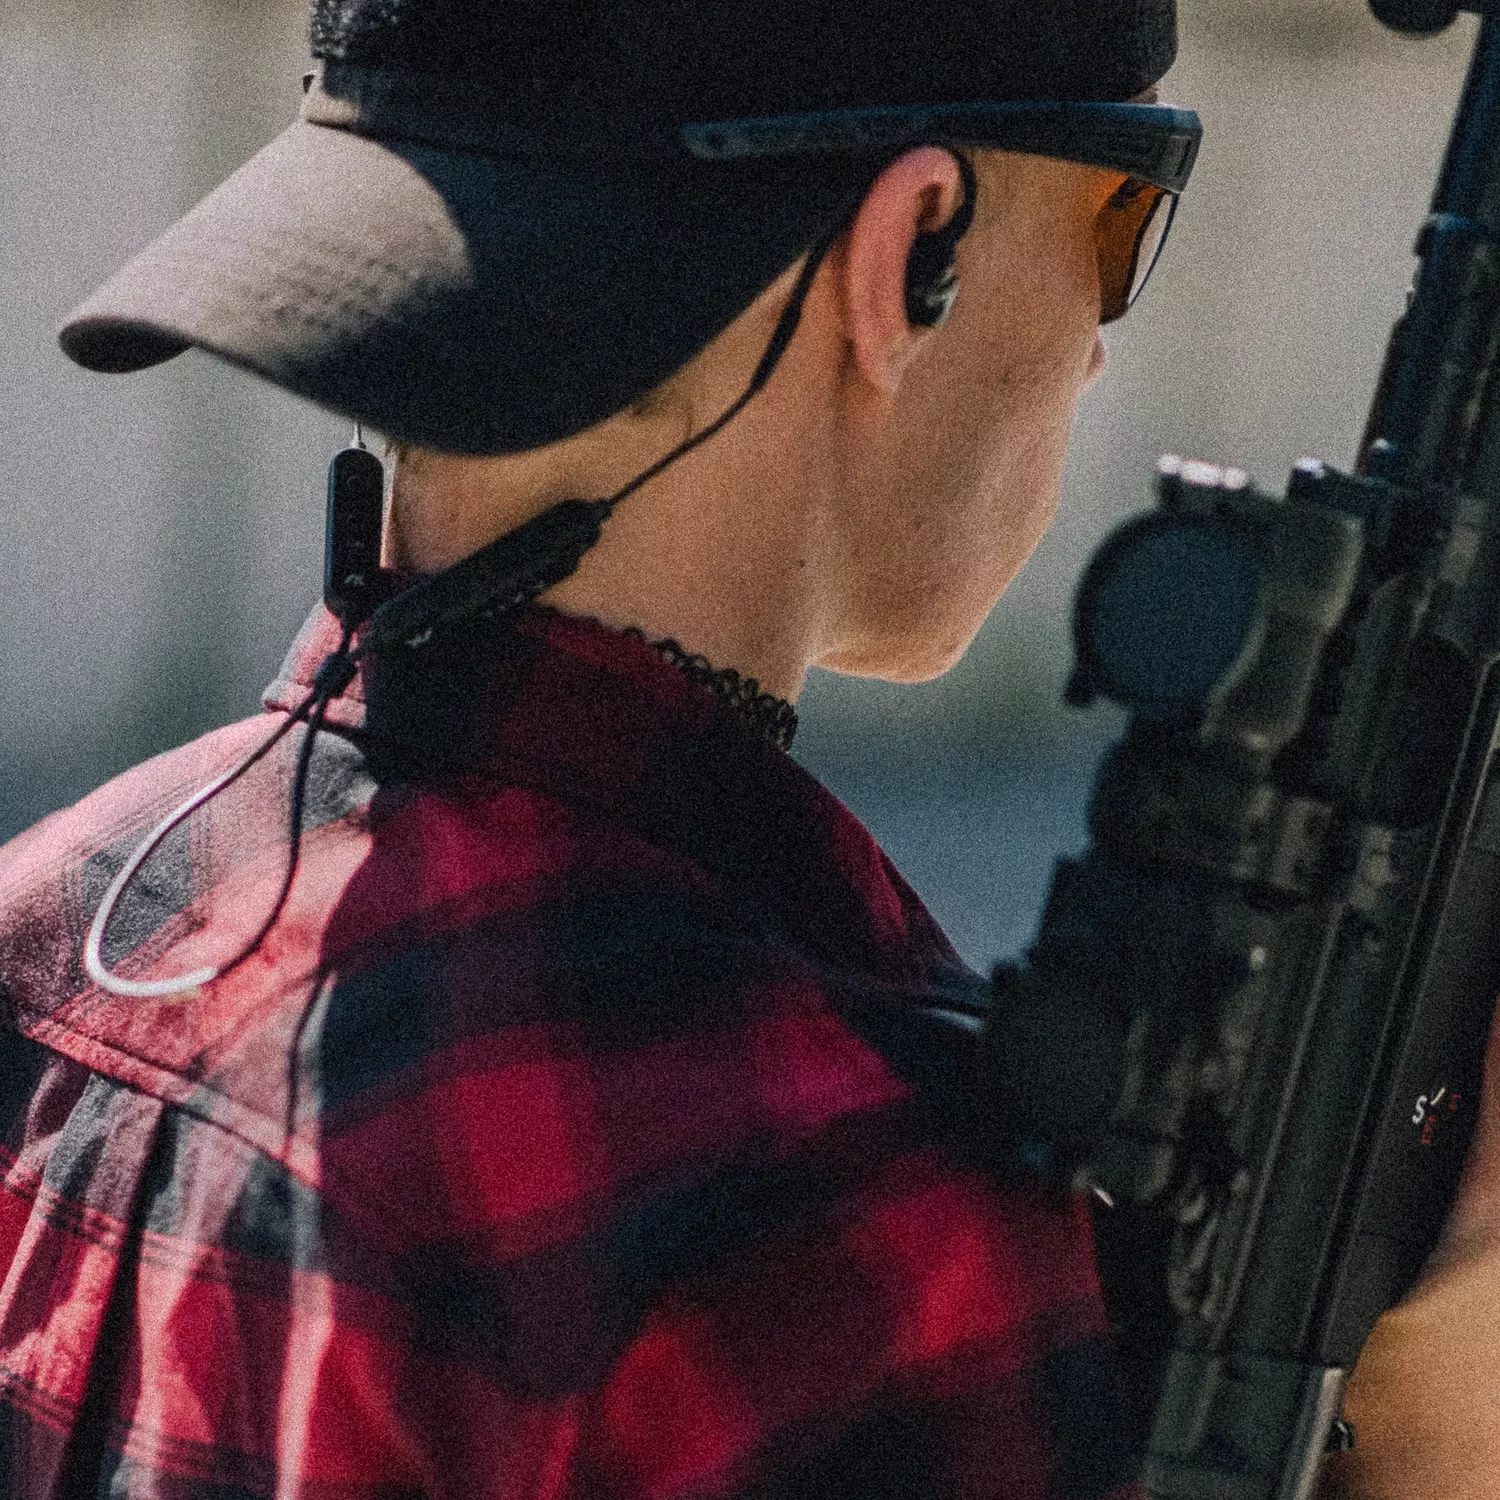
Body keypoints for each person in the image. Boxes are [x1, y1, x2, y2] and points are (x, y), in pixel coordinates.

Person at [12, 0, 1444, 1497]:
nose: (1091, 355)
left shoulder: (43, 926)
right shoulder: (835, 1225)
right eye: (1117, 225)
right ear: (914, 249)